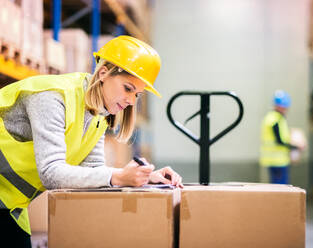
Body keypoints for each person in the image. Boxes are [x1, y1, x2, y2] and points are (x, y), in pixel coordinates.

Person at [0, 35, 183, 246]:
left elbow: (94, 170)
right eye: (128, 88)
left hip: (11, 204)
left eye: (138, 95)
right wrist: (120, 177)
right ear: (104, 73)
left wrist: (145, 178)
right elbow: (51, 173)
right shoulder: (53, 97)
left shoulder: (98, 115)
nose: (131, 101)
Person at [259, 90, 302, 184]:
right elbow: (279, 141)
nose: (285, 109)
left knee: (275, 188)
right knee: (281, 189)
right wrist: (296, 147)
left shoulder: (271, 117)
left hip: (272, 160)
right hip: (278, 161)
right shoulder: (276, 119)